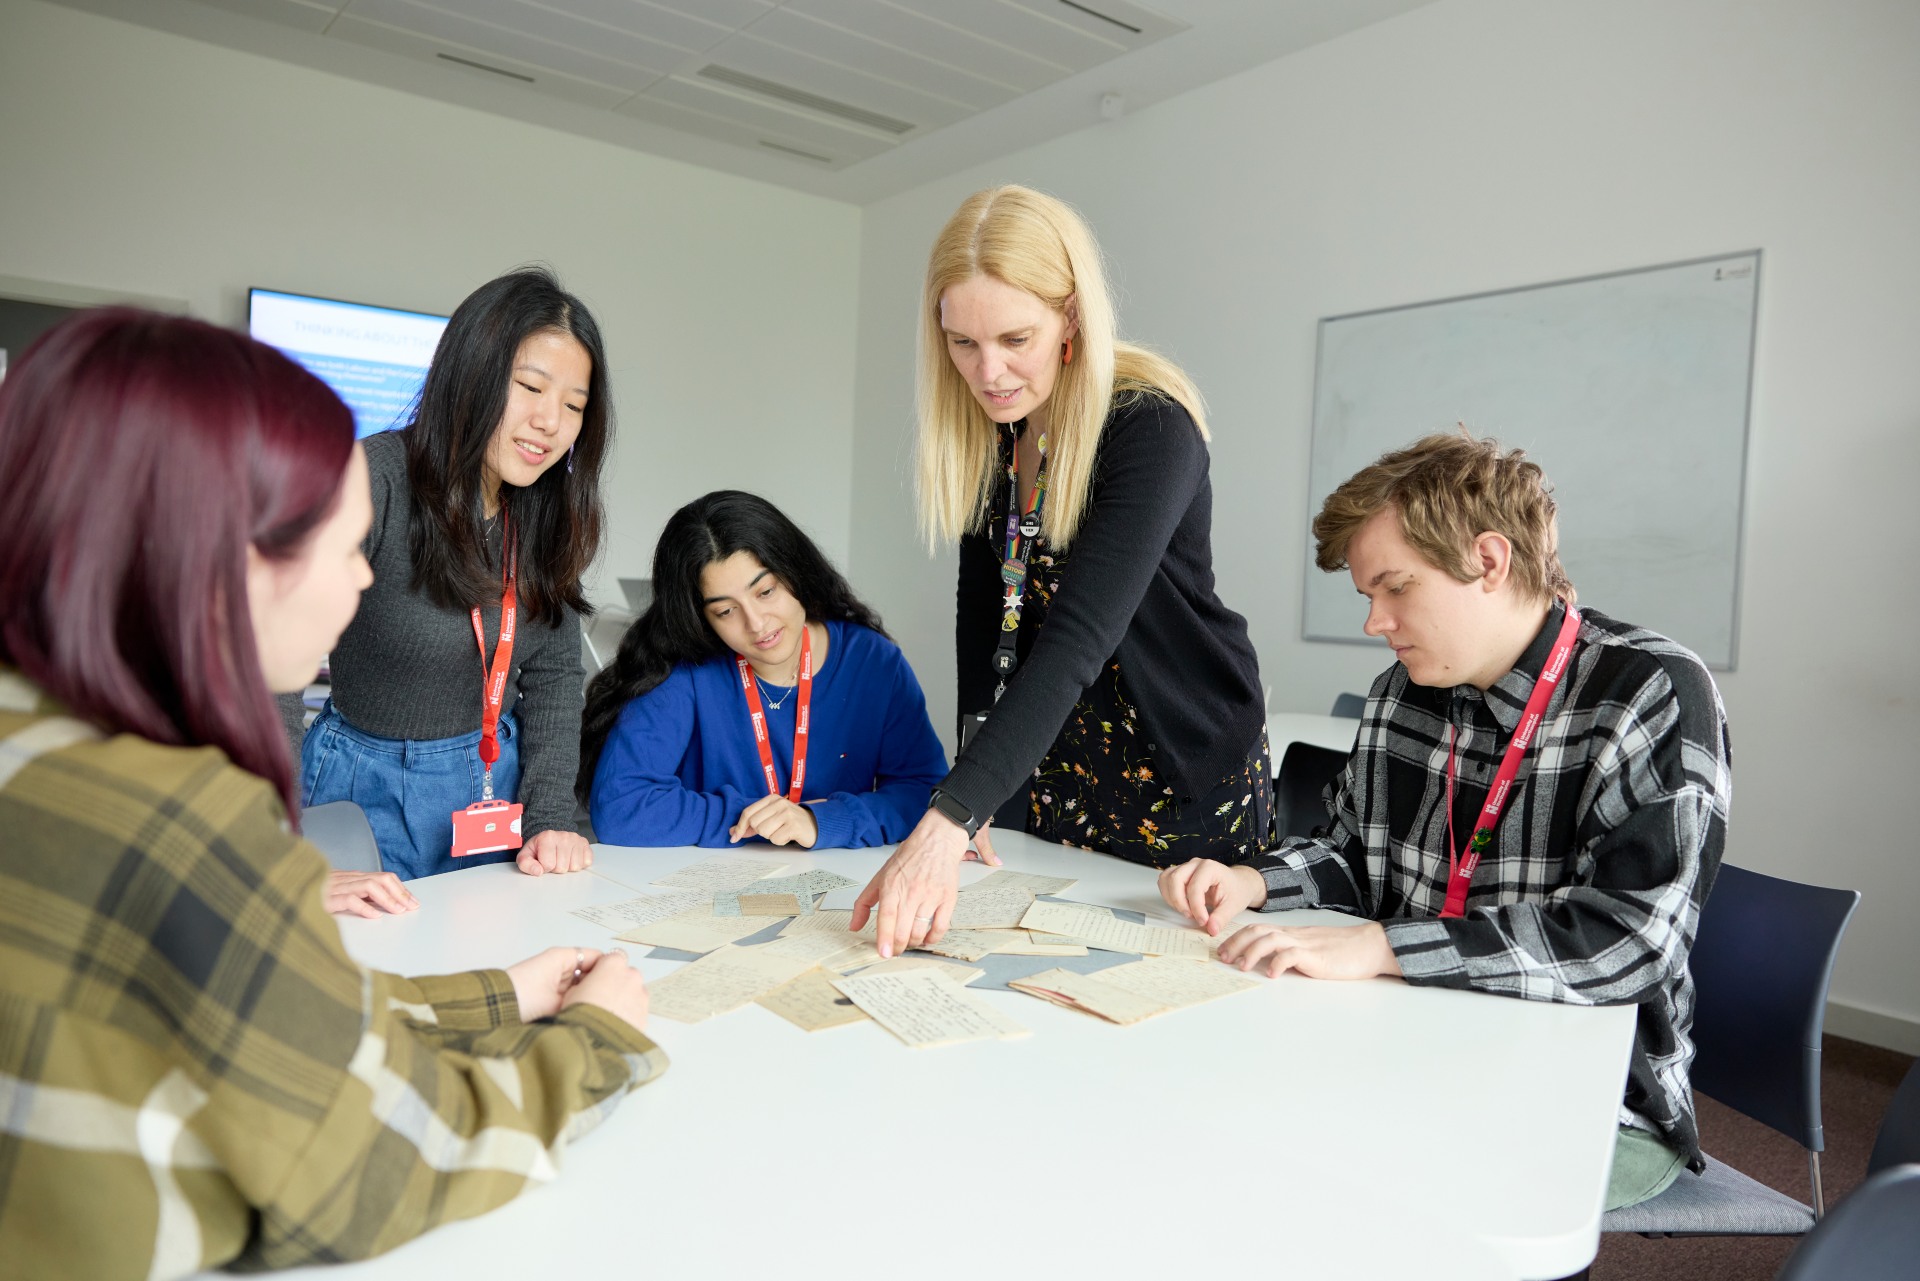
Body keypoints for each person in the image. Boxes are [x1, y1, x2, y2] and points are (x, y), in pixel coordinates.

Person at [0, 309, 663, 1277]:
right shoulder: (178, 821)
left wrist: (497, 995)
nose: (359, 581)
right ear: (213, 548)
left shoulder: (49, 752)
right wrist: (600, 1041)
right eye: (336, 545)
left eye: (574, 402)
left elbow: (271, 1005)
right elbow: (376, 1161)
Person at [1159, 431, 1730, 1212]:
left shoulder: (1652, 691)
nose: (1375, 622)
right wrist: (1253, 880)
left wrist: (1382, 944)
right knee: (1228, 1113)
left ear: (1489, 561)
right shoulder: (1403, 692)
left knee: (1361, 1184)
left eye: (1394, 587)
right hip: (1412, 1036)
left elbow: (1630, 942)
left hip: (1590, 1099)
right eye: (1367, 596)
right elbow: (1354, 856)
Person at [852, 185, 1269, 957]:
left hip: (1181, 769)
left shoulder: (1150, 427)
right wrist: (975, 803)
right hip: (1055, 766)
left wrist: (945, 821)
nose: (990, 372)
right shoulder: (995, 439)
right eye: (963, 343)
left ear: (1071, 316)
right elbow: (982, 626)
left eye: (1016, 338)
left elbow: (1078, 637)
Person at [293, 267, 610, 881]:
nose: (552, 421)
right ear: (472, 375)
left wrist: (550, 816)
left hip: (493, 782)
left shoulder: (547, 511)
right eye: (530, 387)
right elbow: (275, 662)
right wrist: (274, 835)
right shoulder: (376, 478)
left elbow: (551, 676)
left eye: (574, 405)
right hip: (358, 787)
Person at [581, 491, 947, 849]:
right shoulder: (682, 668)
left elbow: (925, 793)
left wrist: (823, 821)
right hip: (703, 887)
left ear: (795, 571)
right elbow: (620, 807)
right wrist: (757, 820)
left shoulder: (873, 662)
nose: (756, 624)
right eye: (725, 611)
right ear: (701, 619)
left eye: (766, 592)